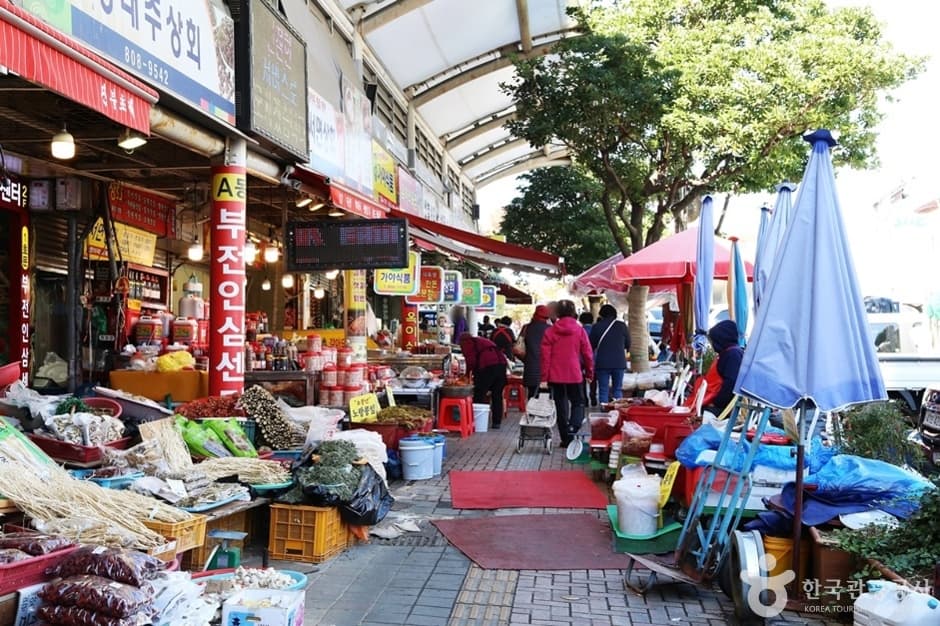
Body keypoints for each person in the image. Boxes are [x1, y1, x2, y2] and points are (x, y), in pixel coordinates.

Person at [541, 300, 594, 447]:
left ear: (557, 313)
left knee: (561, 405)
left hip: (555, 375)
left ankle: (566, 438)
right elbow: (588, 354)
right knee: (578, 403)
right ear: (573, 312)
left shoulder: (550, 331)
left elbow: (545, 357)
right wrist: (590, 373)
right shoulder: (580, 330)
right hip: (574, 373)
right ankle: (573, 427)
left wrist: (544, 378)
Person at [458, 333, 508, 429]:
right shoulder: (481, 341)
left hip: (487, 367)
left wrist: (467, 374)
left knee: (480, 393)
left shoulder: (467, 343)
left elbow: (471, 361)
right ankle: (496, 423)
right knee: (497, 395)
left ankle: (477, 421)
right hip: (501, 365)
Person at [701, 319, 745, 416]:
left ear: (720, 339)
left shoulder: (733, 355)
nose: (712, 345)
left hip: (728, 407)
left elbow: (731, 383)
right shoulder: (728, 352)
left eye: (713, 341)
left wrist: (716, 403)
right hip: (721, 401)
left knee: (703, 412)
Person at [589, 304, 630, 404]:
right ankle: (617, 411)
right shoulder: (622, 326)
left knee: (603, 389)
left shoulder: (596, 327)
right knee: (617, 389)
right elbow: (628, 343)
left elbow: (591, 345)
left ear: (601, 314)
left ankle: (604, 409)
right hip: (619, 362)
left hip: (602, 363)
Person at [521, 305, 551, 399]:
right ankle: (544, 412)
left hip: (530, 367)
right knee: (547, 396)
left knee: (532, 395)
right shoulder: (550, 329)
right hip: (547, 368)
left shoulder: (526, 328)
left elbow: (518, 347)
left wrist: (525, 359)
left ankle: (532, 412)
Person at [579, 311, 597, 406]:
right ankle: (593, 397)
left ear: (580, 320)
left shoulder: (579, 331)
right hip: (594, 358)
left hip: (580, 359)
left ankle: (584, 399)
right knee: (593, 379)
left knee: (582, 380)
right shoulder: (595, 330)